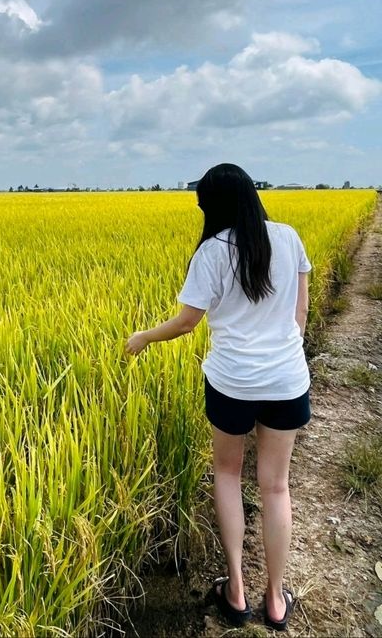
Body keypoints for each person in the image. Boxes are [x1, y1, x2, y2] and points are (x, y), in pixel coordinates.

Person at [125, 162, 311, 632]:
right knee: (276, 487)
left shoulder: (212, 251)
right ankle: (274, 600)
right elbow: (300, 311)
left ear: (212, 206)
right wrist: (284, 359)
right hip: (287, 381)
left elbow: (187, 322)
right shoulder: (288, 238)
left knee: (227, 475)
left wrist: (143, 337)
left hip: (232, 383)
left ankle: (236, 590)